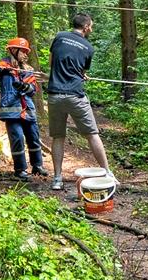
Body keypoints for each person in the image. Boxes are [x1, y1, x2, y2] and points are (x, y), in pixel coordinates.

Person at [46, 13, 111, 190]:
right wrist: (79, 75)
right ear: (86, 27)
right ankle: (107, 172)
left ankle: (57, 179)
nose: (91, 28)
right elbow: (80, 70)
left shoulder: (59, 37)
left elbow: (52, 63)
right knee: (92, 134)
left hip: (54, 95)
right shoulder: (88, 47)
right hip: (75, 95)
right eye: (91, 26)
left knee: (58, 136)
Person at [0, 38, 48, 180]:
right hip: (11, 110)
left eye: (26, 51)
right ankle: (20, 170)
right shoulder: (2, 65)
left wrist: (27, 87)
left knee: (33, 137)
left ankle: (37, 165)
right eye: (23, 51)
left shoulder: (28, 69)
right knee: (17, 138)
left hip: (28, 109)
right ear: (13, 51)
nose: (26, 54)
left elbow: (33, 90)